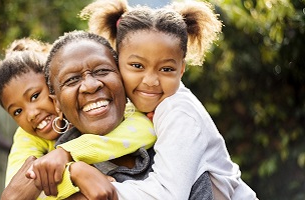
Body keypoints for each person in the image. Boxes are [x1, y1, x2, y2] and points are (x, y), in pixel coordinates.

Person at [80, 0, 258, 199]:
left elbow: (167, 195)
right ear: (116, 60)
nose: (151, 81)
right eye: (137, 66)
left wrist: (102, 187)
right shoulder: (127, 107)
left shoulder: (178, 111)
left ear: (181, 69)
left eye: (166, 69)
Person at [37, 30, 214, 200]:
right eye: (72, 79)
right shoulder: (55, 176)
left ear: (122, 77)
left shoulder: (171, 128)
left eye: (102, 71)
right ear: (57, 104)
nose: (91, 85)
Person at [0, 38, 156, 199]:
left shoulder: (115, 109)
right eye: (18, 111)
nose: (31, 113)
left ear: (54, 88)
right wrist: (74, 175)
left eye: (35, 96)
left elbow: (145, 130)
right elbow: (20, 189)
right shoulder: (27, 137)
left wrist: (68, 153)